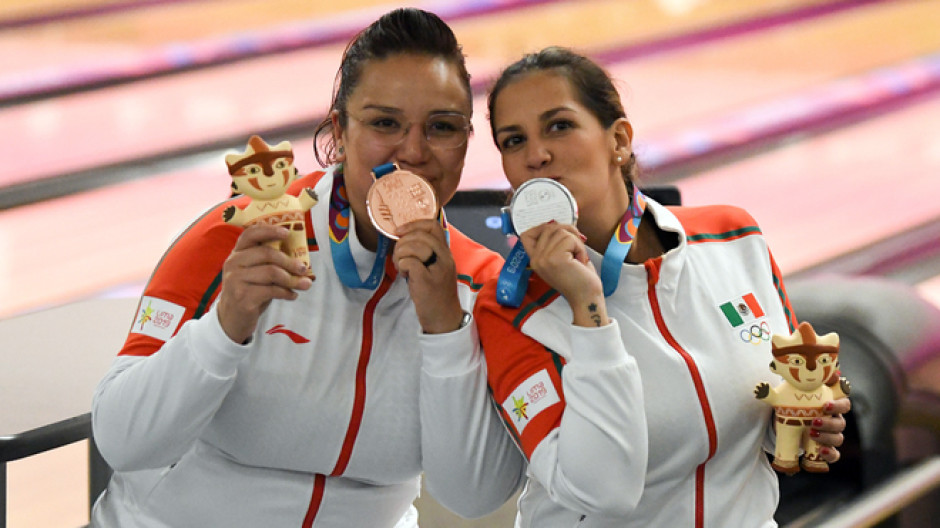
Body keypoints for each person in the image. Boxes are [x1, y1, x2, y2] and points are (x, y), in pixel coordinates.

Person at [90, 8, 525, 528]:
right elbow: (121, 440)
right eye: (384, 123)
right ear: (340, 131)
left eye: (442, 128)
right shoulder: (238, 240)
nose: (413, 150)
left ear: (466, 140)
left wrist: (444, 330)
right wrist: (224, 327)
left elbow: (473, 496)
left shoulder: (479, 286)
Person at [474, 46, 851, 527]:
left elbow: (767, 419)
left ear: (619, 140)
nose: (536, 154)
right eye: (512, 140)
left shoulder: (733, 237)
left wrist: (807, 423)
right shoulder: (512, 307)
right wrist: (587, 308)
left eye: (559, 126)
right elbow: (599, 491)